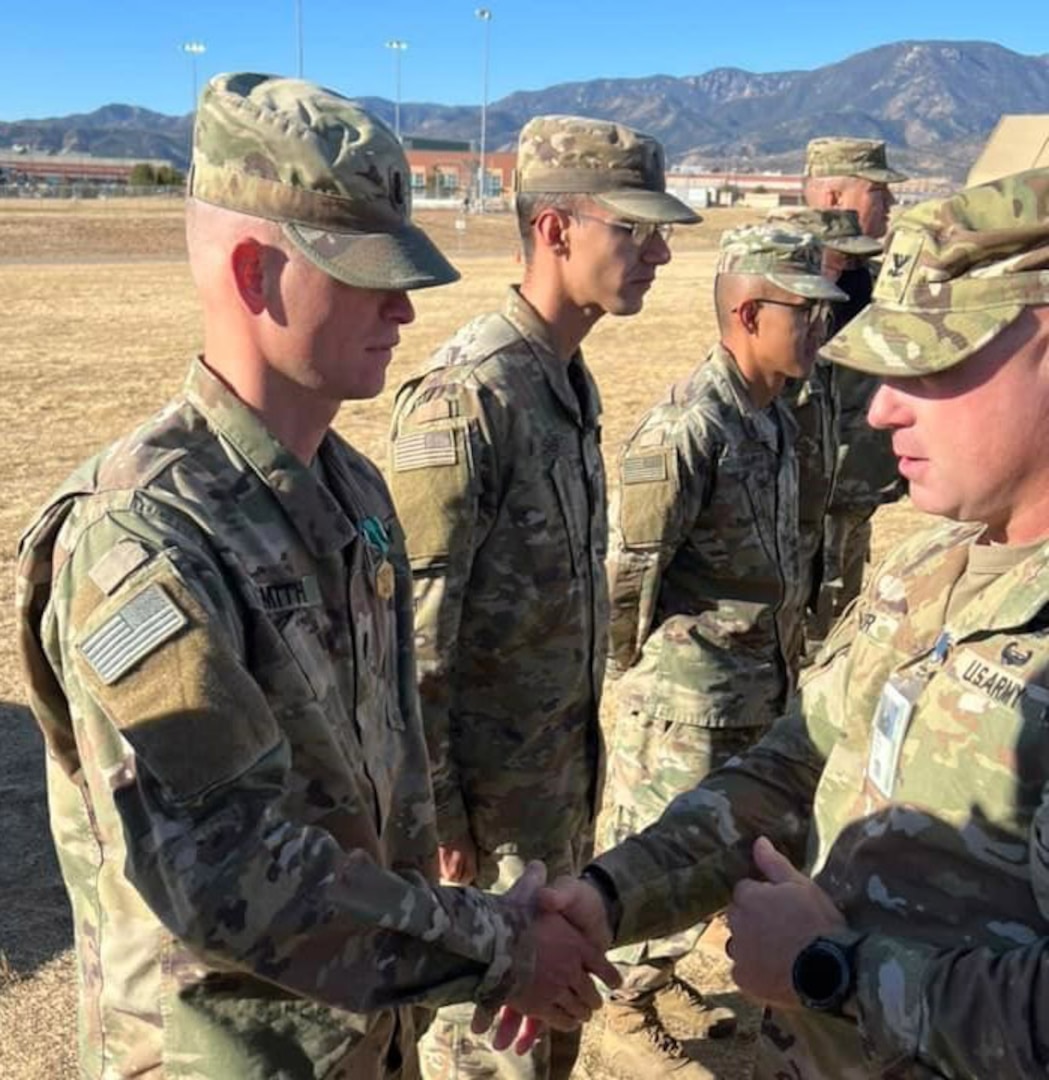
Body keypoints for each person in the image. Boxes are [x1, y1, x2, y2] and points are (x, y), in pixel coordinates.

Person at [15, 73, 617, 1080]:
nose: (403, 309)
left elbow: (390, 790)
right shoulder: (144, 538)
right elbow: (227, 872)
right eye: (368, 272)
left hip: (360, 1040)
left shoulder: (354, 493)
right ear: (254, 272)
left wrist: (471, 934)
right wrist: (498, 947)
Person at [520, 167, 1049, 1079]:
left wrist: (831, 972)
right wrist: (612, 892)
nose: (882, 406)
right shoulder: (934, 567)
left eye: (930, 360)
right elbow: (793, 769)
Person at [388, 114, 698, 1080]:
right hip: (481, 828)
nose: (657, 251)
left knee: (551, 1035)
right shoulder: (471, 395)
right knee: (488, 1053)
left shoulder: (566, 379)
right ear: (556, 230)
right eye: (631, 229)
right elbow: (413, 637)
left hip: (554, 792)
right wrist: (439, 822)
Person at [598, 225, 845, 1076]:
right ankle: (622, 999)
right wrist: (647, 674)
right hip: (688, 702)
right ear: (747, 312)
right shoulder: (687, 426)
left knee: (724, 854)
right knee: (658, 848)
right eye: (803, 313)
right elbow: (628, 570)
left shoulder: (774, 415)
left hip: (756, 689)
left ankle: (659, 976)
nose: (819, 328)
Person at [804, 136, 909, 636]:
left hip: (855, 494)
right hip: (805, 506)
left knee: (841, 632)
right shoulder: (786, 283)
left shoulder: (869, 278)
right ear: (832, 199)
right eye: (877, 193)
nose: (890, 204)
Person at [765, 207, 883, 644]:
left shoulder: (829, 350)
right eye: (841, 262)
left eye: (856, 265)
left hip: (838, 528)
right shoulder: (774, 368)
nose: (852, 279)